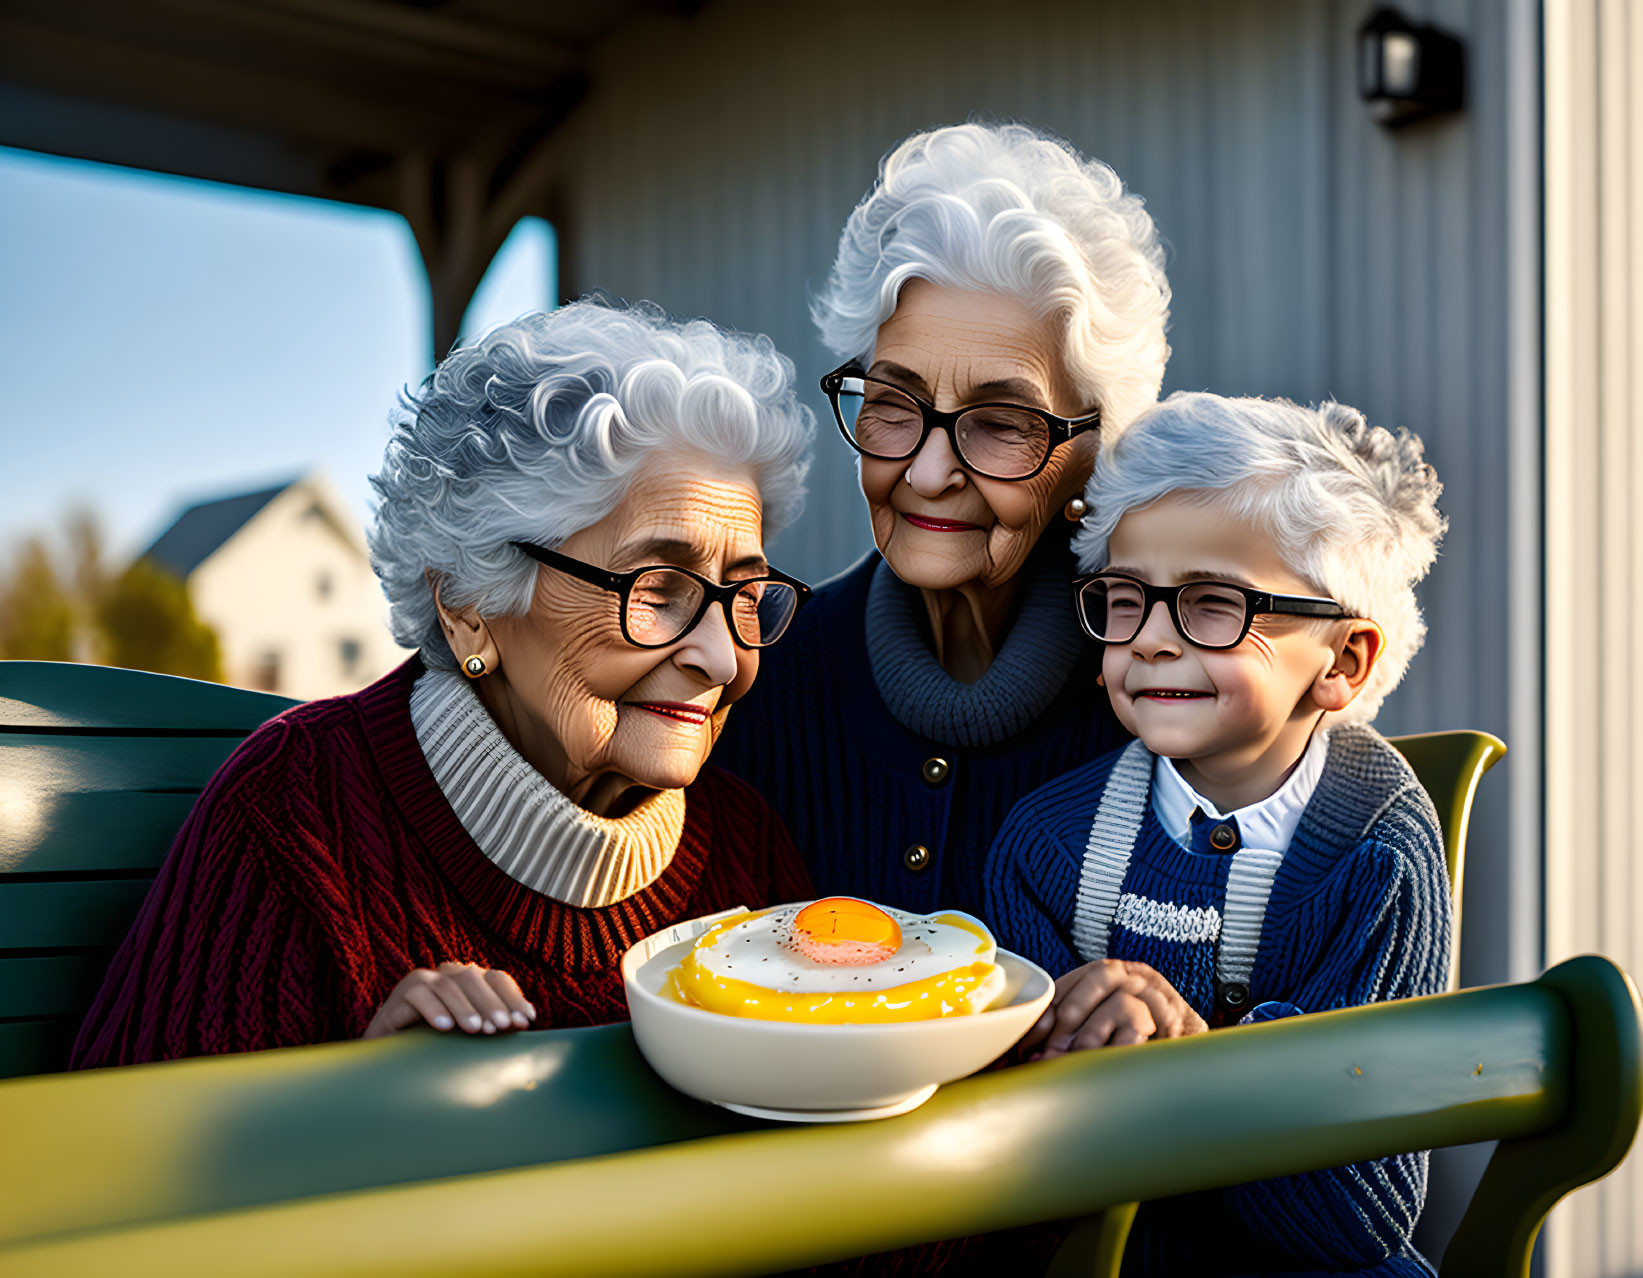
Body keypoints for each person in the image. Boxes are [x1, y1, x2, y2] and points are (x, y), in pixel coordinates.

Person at [72, 300, 817, 1067]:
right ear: (467, 605)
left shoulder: (741, 845)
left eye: (745, 596)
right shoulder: (293, 815)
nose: (723, 661)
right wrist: (364, 1097)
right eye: (659, 589)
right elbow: (122, 1155)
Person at [985, 392, 1451, 1275]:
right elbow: (1020, 1145)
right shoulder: (1046, 843)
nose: (1152, 640)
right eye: (1126, 599)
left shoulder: (1376, 852)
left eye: (1210, 604)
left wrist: (1186, 1061)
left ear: (1341, 663)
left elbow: (1359, 1216)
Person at [714, 120, 1171, 927]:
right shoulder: (759, 681)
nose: (927, 473)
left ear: (1093, 456)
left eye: (1000, 423)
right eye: (893, 406)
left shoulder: (1163, 692)